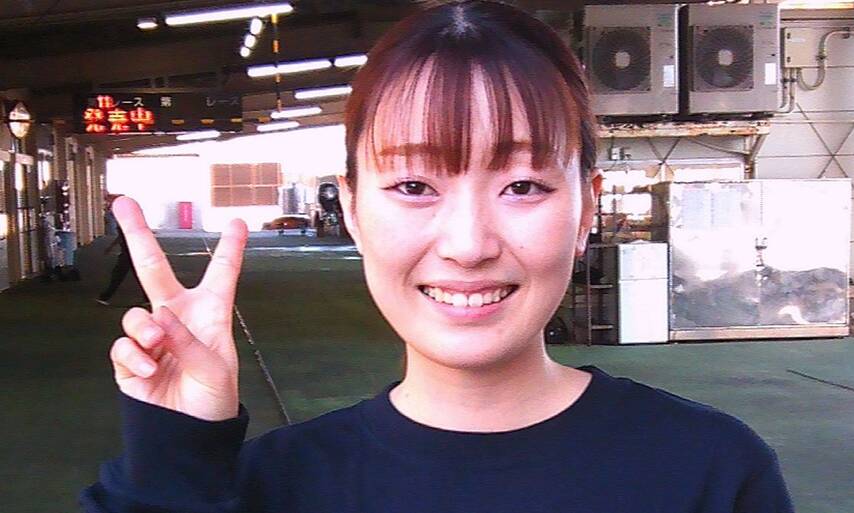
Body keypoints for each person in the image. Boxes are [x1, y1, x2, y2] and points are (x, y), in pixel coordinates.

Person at [81, 2, 793, 512]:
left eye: (522, 185)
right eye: (415, 186)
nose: (468, 244)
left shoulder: (709, 472)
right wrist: (173, 451)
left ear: (587, 209)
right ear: (352, 209)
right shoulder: (263, 487)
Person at [96, 217, 148, 307]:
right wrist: (111, 247)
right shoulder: (129, 223)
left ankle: (105, 297)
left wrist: (111, 247)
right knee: (136, 276)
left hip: (128, 254)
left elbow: (122, 237)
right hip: (132, 253)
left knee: (118, 276)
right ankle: (147, 297)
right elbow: (121, 237)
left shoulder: (126, 223)